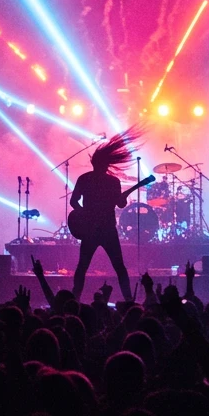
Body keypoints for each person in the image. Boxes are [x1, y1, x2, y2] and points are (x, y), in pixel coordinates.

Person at [70, 129, 141, 303]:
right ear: (106, 165)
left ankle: (75, 299)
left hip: (91, 231)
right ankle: (129, 299)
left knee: (82, 267)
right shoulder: (112, 181)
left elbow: (73, 202)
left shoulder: (84, 179)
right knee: (119, 267)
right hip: (108, 230)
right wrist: (122, 198)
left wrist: (84, 215)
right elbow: (121, 204)